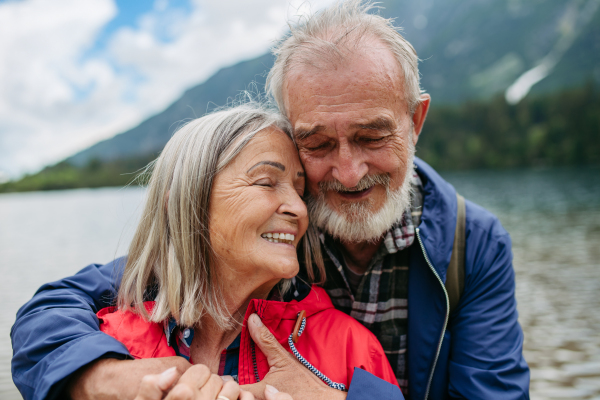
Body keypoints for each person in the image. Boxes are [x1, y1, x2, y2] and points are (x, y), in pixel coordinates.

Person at [11, 1, 530, 399]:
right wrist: (102, 377)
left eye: (373, 137)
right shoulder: (266, 230)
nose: (347, 173)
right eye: (318, 144)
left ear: (415, 122)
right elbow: (59, 305)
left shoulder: (471, 243)